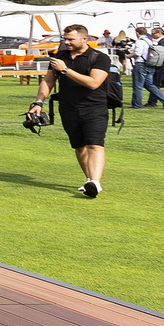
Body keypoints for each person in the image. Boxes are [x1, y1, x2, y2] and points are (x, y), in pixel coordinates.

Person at [32, 24, 114, 197]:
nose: (66, 42)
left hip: (94, 107)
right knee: (79, 146)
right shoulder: (59, 57)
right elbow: (48, 81)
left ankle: (95, 182)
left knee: (94, 144)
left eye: (70, 39)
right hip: (68, 108)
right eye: (65, 39)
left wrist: (65, 70)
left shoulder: (99, 57)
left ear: (84, 39)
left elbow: (93, 82)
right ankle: (89, 179)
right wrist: (38, 102)